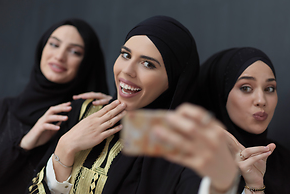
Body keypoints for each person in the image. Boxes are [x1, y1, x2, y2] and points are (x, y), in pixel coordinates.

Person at [28, 16, 239, 194]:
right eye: (125, 55)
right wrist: (65, 147)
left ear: (174, 81)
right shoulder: (83, 111)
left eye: (148, 64)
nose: (127, 71)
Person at [0, 18, 110, 194]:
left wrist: (123, 109)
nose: (60, 56)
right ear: (42, 48)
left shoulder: (90, 119)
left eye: (74, 52)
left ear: (87, 63)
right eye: (54, 45)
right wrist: (24, 143)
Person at [195, 47, 290, 194]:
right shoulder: (192, 163)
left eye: (269, 89)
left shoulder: (288, 164)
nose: (261, 100)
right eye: (246, 88)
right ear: (219, 92)